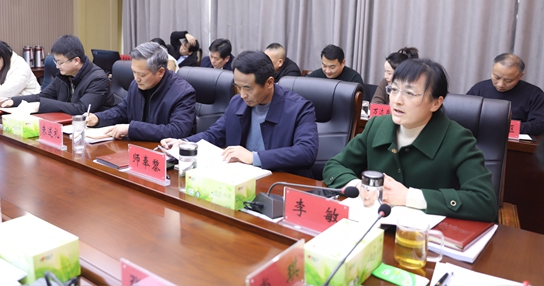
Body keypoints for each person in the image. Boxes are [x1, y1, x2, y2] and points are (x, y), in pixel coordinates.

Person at [323, 59, 498, 221]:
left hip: (427, 236)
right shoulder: (377, 126)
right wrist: (360, 187)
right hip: (376, 226)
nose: (397, 101)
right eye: (393, 90)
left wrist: (408, 197)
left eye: (409, 93)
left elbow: (484, 201)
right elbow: (334, 166)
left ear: (436, 103)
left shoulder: (457, 139)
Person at [161, 51, 318, 177]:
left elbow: (306, 152)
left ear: (269, 83)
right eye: (238, 87)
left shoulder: (300, 108)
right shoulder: (237, 103)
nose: (242, 95)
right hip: (241, 179)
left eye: (248, 88)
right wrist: (185, 142)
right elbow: (214, 134)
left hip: (279, 184)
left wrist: (254, 157)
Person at [86, 42, 196, 140]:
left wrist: (131, 129)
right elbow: (123, 110)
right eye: (134, 72)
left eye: (141, 74)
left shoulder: (183, 92)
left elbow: (176, 131)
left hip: (166, 151)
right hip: (137, 146)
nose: (136, 78)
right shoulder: (136, 84)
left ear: (160, 72)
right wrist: (98, 118)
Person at [0, 35, 115, 114]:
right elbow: (42, 96)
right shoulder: (64, 76)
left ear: (76, 61)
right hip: (67, 124)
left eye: (60, 62)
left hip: (95, 131)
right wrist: (12, 101)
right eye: (56, 61)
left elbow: (81, 109)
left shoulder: (98, 79)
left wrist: (41, 105)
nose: (57, 66)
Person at [467, 54, 544, 135]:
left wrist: (507, 127)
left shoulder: (535, 94)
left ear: (520, 76)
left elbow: (539, 124)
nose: (500, 84)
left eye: (508, 80)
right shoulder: (479, 88)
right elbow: (463, 114)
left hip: (515, 140)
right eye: (496, 77)